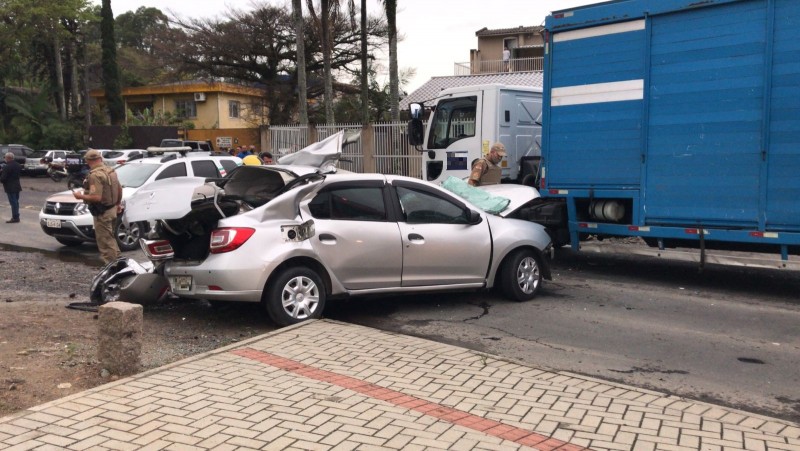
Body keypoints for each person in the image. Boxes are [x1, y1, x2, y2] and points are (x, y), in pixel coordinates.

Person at [73, 149, 122, 263]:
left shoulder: (95, 175)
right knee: (110, 238)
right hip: (112, 209)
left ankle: (112, 267)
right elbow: (119, 189)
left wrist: (80, 197)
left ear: (88, 161)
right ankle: (119, 261)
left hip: (103, 212)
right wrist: (118, 204)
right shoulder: (111, 171)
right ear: (100, 159)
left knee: (104, 241)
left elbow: (96, 197)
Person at [1, 152, 22, 223]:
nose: (5, 159)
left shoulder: (6, 167)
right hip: (17, 185)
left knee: (13, 202)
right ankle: (17, 216)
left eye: (5, 158)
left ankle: (15, 217)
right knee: (16, 202)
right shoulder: (18, 165)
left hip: (10, 187)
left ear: (8, 158)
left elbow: (3, 178)